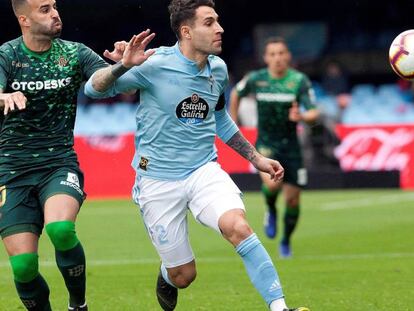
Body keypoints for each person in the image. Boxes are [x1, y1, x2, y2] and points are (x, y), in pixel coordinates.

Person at [84, 1, 310, 311]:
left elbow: (219, 118)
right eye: (210, 22)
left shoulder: (218, 68)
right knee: (183, 275)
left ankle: (280, 307)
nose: (220, 28)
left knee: (238, 226)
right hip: (157, 180)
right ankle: (167, 273)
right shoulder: (153, 63)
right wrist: (123, 65)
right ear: (187, 32)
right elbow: (93, 90)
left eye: (217, 21)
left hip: (204, 170)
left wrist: (255, 157)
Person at [0, 0, 120, 310]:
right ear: (24, 20)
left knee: (60, 229)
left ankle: (78, 305)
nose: (55, 13)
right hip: (11, 170)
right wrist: (4, 95)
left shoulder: (74, 53)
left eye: (54, 6)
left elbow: (104, 83)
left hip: (58, 163)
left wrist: (123, 66)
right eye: (44, 9)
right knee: (24, 267)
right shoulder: (7, 55)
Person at [229, 37, 319, 258]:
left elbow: (314, 113)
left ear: (288, 56)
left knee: (293, 199)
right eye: (273, 54)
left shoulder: (299, 81)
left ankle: (286, 240)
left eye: (281, 53)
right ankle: (270, 208)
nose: (277, 58)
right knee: (272, 186)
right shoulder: (256, 79)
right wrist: (232, 123)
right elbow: (235, 94)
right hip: (266, 145)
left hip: (292, 148)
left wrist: (302, 116)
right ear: (265, 58)